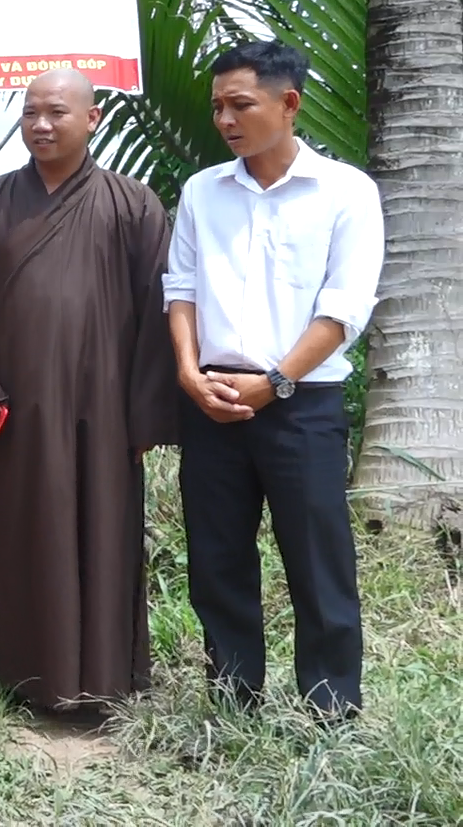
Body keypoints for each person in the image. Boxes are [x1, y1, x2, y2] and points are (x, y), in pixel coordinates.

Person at [0, 66, 180, 713]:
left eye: (55, 112)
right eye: (29, 113)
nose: (40, 124)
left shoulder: (132, 205)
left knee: (101, 538)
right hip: (12, 414)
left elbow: (161, 313)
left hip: (103, 413)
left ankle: (103, 684)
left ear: (91, 119)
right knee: (19, 537)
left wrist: (141, 419)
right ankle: (21, 682)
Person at [165, 41, 383, 720]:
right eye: (217, 108)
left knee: (318, 562)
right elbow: (180, 289)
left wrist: (275, 383)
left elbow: (343, 308)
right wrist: (186, 373)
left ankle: (329, 709)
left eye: (240, 105)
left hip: (302, 405)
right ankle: (231, 700)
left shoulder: (344, 191)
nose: (225, 120)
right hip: (212, 400)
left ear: (287, 104)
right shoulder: (203, 191)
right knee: (216, 559)